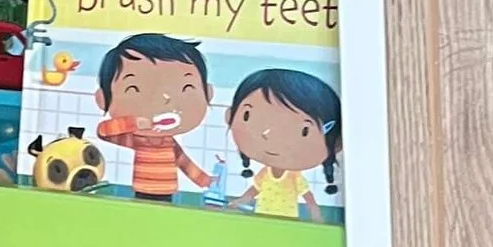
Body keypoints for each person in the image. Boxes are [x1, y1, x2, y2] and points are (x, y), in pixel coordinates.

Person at [91, 33, 213, 200]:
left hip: (168, 193)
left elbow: (184, 163)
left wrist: (206, 181)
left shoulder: (169, 143)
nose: (164, 99)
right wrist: (133, 123)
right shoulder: (137, 140)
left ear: (208, 93)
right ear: (103, 99)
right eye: (134, 88)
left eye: (185, 87)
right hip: (142, 192)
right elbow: (104, 131)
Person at [227, 66, 342, 216]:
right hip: (261, 216)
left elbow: (308, 198)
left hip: (287, 220)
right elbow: (253, 191)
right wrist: (240, 201)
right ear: (230, 116)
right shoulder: (265, 173)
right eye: (248, 116)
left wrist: (316, 215)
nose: (270, 136)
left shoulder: (294, 176)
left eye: (304, 130)